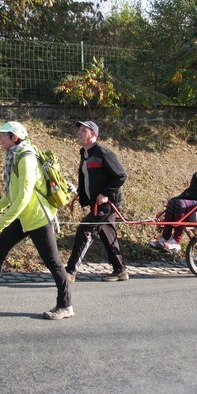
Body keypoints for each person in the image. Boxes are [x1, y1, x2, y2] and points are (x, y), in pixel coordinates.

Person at [0, 121, 73, 319]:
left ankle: (65, 305)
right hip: (24, 215)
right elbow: (13, 193)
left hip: (36, 216)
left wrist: (2, 222)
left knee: (53, 261)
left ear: (15, 138)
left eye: (3, 134)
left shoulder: (25, 158)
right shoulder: (15, 156)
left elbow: (24, 196)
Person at [66, 120, 129, 282]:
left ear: (93, 135)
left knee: (84, 230)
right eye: (79, 129)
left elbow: (120, 175)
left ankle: (70, 272)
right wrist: (81, 192)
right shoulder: (84, 153)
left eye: (83, 130)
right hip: (96, 202)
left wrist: (105, 193)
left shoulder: (103, 153)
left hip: (107, 203)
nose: (79, 133)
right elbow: (85, 176)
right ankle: (120, 270)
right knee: (107, 234)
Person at [149, 146, 197, 253]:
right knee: (173, 202)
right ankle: (165, 237)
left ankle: (176, 242)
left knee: (181, 204)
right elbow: (192, 191)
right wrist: (177, 198)